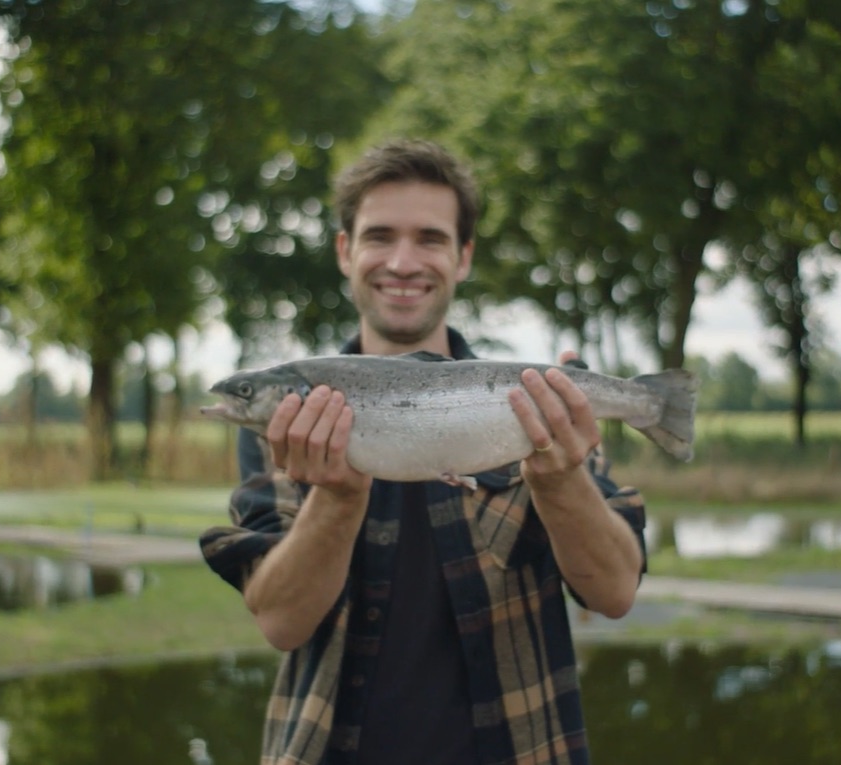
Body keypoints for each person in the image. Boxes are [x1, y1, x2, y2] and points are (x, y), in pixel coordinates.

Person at [199, 138, 647, 765]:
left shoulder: (534, 402)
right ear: (345, 251)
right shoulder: (286, 426)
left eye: (430, 239)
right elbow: (281, 623)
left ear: (463, 257)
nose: (403, 262)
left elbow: (616, 594)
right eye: (380, 236)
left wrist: (561, 479)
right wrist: (337, 496)